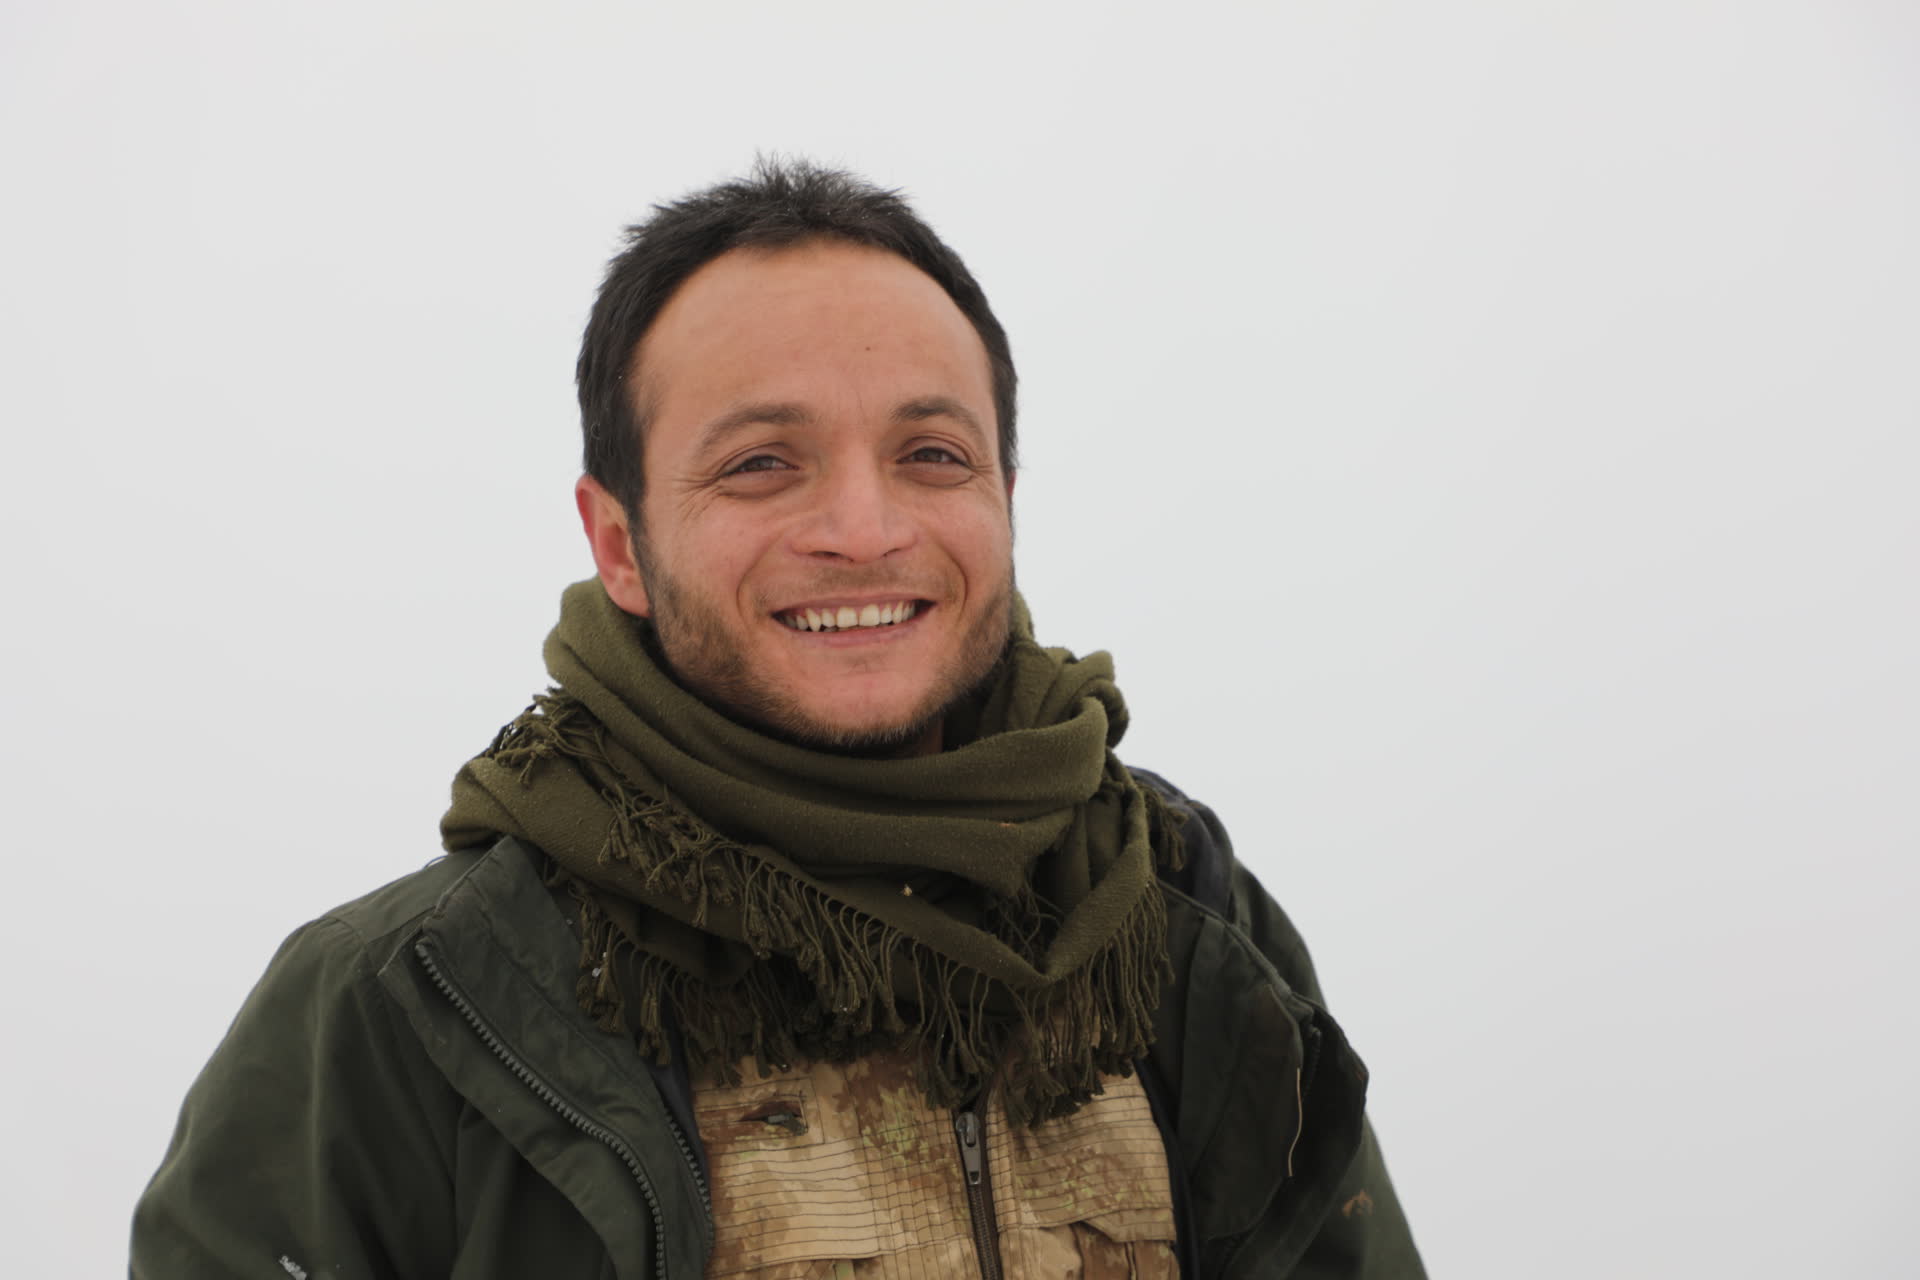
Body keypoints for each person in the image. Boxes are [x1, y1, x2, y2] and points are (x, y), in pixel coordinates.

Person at [130, 160, 1425, 1279]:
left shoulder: (1180, 917)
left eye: (932, 454)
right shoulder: (409, 1003)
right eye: (761, 463)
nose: (864, 529)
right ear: (619, 543)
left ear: (1006, 496)